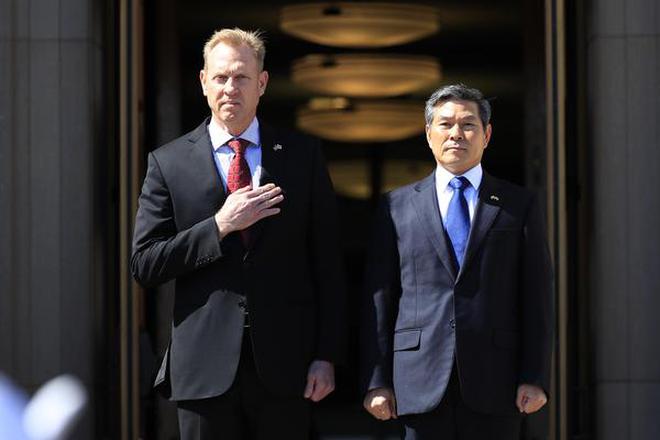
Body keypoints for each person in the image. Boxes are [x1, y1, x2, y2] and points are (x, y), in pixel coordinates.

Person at [131, 28, 347, 440]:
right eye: (221, 77)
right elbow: (144, 263)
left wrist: (326, 356)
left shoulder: (302, 156)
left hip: (287, 367)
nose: (231, 88)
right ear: (203, 82)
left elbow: (328, 266)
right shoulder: (168, 163)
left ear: (262, 83)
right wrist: (219, 226)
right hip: (202, 370)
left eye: (242, 77)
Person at [360, 84, 553, 439]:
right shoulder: (396, 207)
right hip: (417, 382)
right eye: (445, 124)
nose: (456, 134)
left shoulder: (518, 205)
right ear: (429, 134)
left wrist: (535, 377)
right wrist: (377, 381)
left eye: (468, 125)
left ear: (487, 135)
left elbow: (536, 296)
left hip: (497, 380)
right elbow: (380, 297)